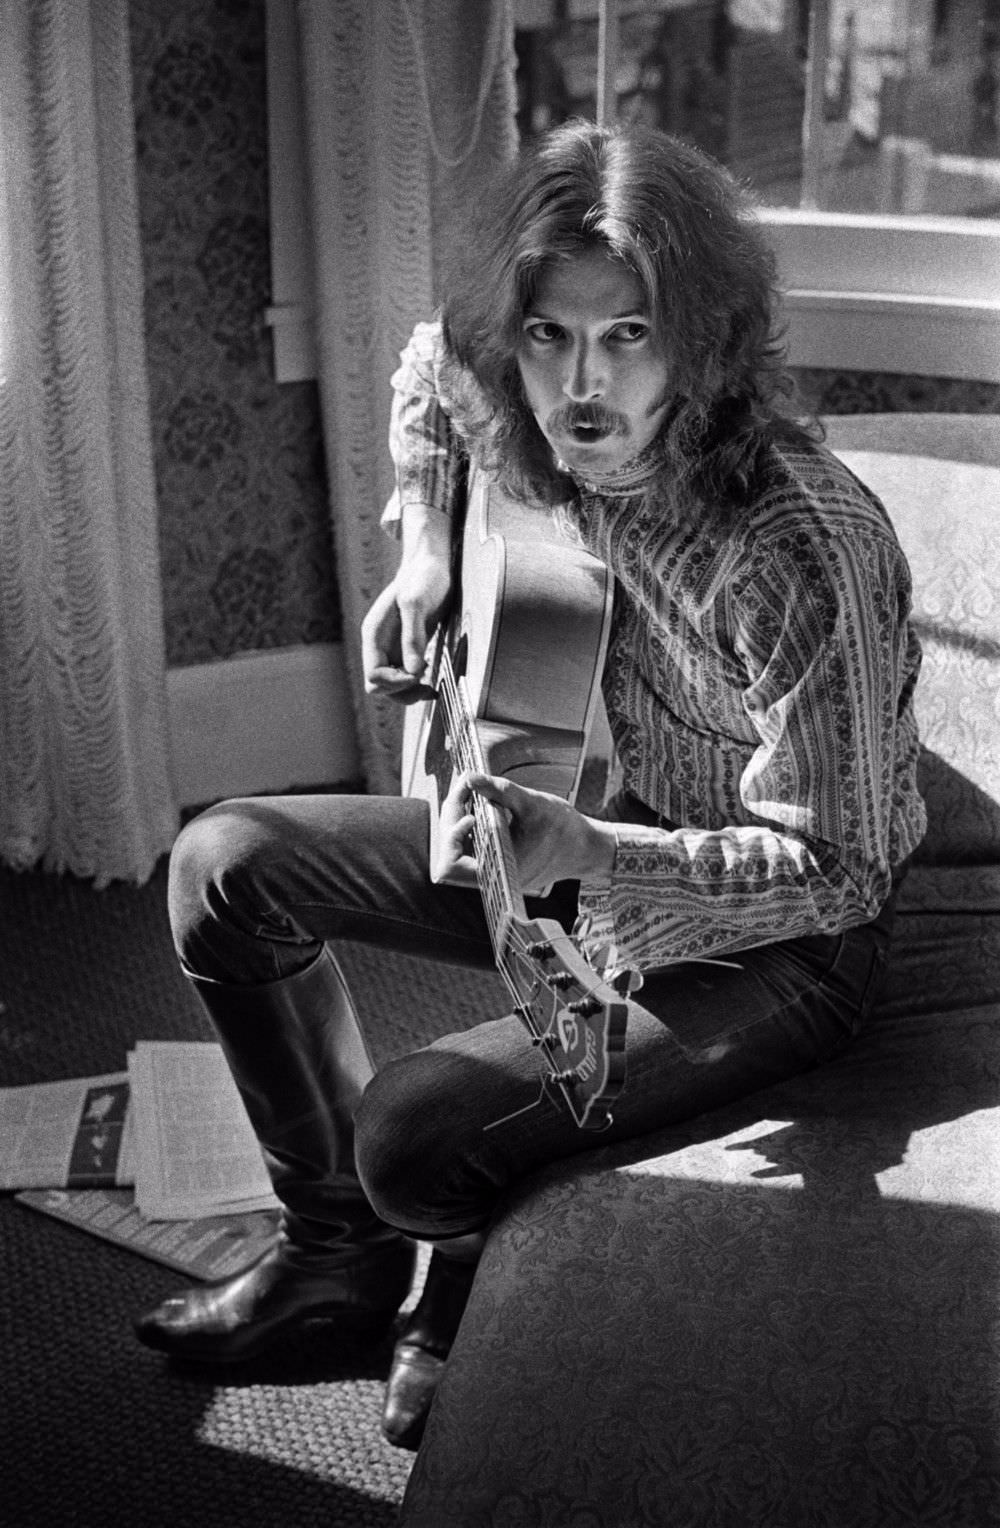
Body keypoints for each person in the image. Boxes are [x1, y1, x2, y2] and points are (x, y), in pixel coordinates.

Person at [133, 121, 926, 1452]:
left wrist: (597, 853)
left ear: (707, 335)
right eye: (552, 337)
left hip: (775, 947)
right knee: (222, 866)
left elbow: (840, 869)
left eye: (628, 335)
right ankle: (336, 1256)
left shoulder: (793, 545)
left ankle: (444, 1259)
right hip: (559, 823)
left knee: (418, 1131)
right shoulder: (520, 399)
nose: (581, 387)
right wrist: (426, 550)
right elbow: (429, 368)